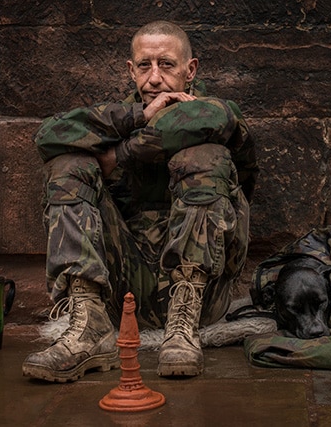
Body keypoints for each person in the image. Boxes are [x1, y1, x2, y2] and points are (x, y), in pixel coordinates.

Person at [21, 20, 257, 382]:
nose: (155, 78)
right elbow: (48, 136)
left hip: (202, 293)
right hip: (125, 287)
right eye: (145, 66)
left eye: (167, 64)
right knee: (69, 164)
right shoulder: (118, 117)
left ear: (190, 70)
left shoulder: (216, 110)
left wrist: (122, 154)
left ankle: (183, 326)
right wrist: (138, 117)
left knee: (205, 155)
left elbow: (216, 118)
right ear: (131, 71)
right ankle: (89, 324)